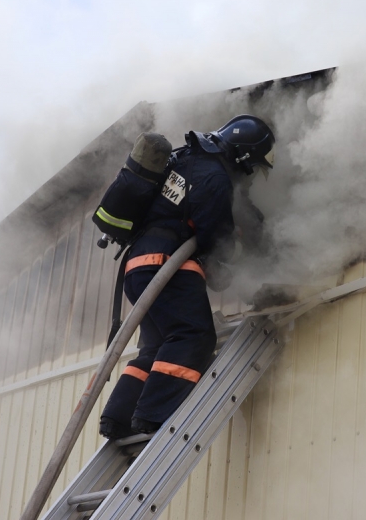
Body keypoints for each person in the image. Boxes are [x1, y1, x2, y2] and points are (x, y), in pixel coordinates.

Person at [100, 114, 275, 439]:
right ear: (243, 156)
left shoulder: (184, 159)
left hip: (137, 267)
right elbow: (214, 237)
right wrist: (234, 259)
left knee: (156, 346)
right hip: (168, 266)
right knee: (194, 336)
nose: (250, 175)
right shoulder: (215, 177)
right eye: (252, 167)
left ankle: (117, 417)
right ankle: (154, 415)